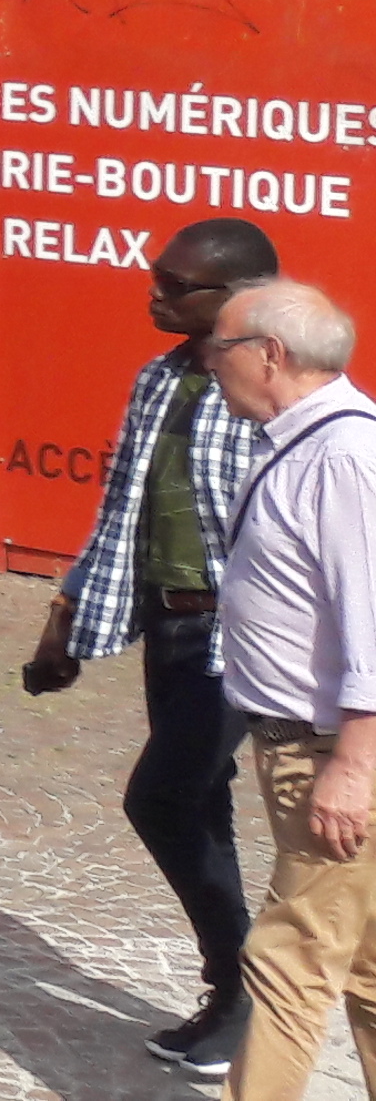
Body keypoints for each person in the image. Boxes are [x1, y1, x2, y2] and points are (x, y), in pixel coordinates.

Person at [25, 216, 282, 1080]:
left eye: (176, 285)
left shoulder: (278, 390)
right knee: (198, 802)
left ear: (234, 299)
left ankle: (248, 986)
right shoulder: (159, 378)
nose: (154, 294)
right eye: (157, 277)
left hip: (243, 633)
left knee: (160, 799)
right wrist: (66, 619)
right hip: (171, 625)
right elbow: (121, 508)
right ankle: (235, 994)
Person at [201, 278, 376, 1101]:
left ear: (269, 355)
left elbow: (372, 624)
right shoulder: (307, 443)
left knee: (290, 963)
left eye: (218, 349)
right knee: (368, 971)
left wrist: (354, 765)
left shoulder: (344, 458)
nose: (210, 365)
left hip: (327, 756)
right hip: (308, 749)